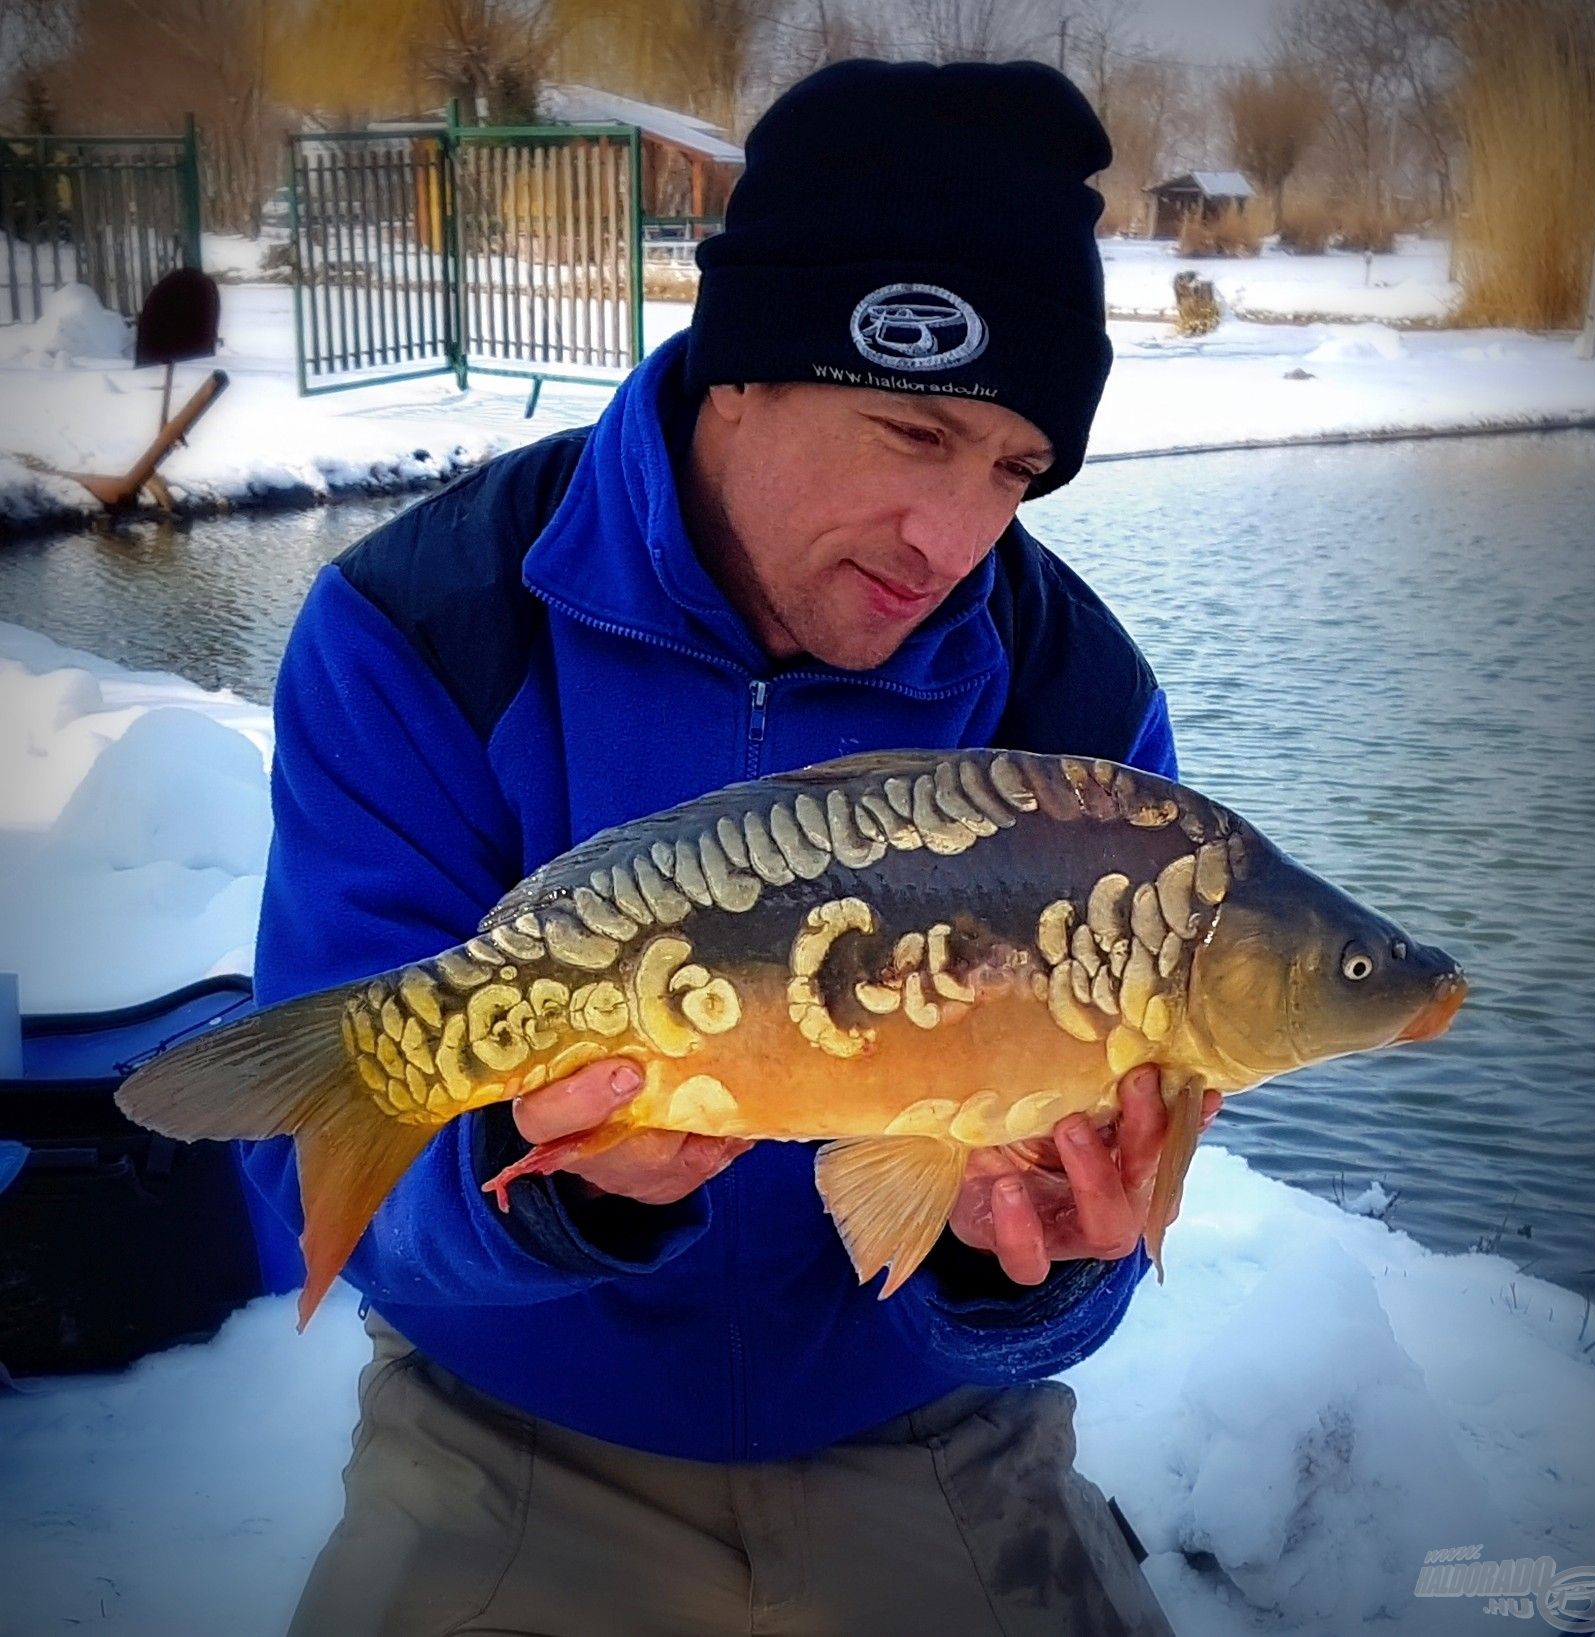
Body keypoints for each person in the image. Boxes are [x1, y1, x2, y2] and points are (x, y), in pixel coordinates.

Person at [248, 58, 1218, 1637]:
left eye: (1014, 472)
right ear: (741, 368)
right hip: (517, 1423)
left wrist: (1034, 1267)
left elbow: (1070, 1271)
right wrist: (546, 1178)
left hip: (923, 1424)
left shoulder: (1077, 714)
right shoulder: (421, 628)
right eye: (913, 431)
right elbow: (311, 1170)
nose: (954, 539)